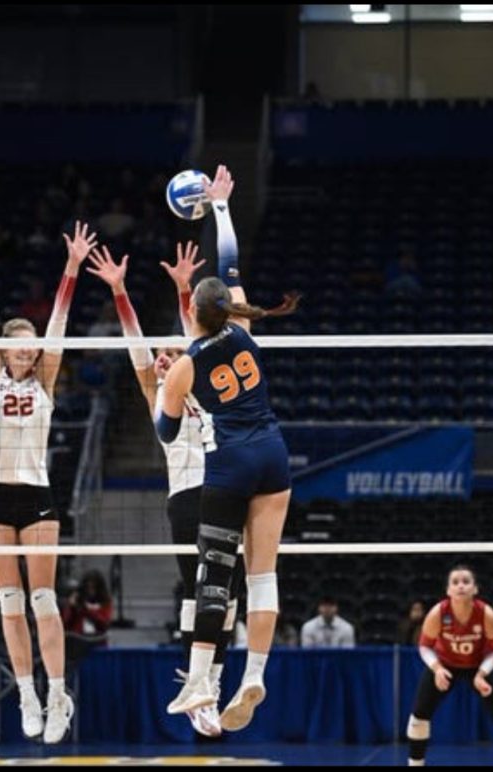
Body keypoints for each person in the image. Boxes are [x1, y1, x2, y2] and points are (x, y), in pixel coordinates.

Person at [156, 165, 300, 734]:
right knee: (263, 577)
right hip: (274, 454)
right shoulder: (244, 329)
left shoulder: (186, 364)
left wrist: (183, 396)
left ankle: (199, 681)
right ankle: (255, 671)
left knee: (213, 576)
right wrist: (220, 205)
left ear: (192, 309)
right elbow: (230, 262)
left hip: (231, 463)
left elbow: (166, 435)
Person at [84, 238, 244, 738]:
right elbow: (136, 342)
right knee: (199, 593)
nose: (162, 357)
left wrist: (183, 290)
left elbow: (196, 337)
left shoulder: (202, 379)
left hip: (225, 486)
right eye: (158, 354)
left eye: (172, 351)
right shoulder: (158, 394)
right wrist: (119, 291)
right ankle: (200, 684)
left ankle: (211, 683)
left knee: (230, 592)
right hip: (185, 499)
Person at [0, 209, 98, 743]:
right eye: (20, 340)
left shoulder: (46, 381)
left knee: (44, 602)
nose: (28, 346)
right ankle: (27, 694)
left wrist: (72, 267)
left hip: (36, 495)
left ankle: (59, 693)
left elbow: (59, 322)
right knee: (9, 605)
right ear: (6, 346)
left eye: (32, 342)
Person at [408, 565, 493, 766]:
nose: (461, 586)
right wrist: (437, 669)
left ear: (475, 589)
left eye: (466, 582)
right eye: (455, 582)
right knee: (418, 717)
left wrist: (482, 674)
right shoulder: (438, 613)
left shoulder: (486, 614)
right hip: (445, 665)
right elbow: (425, 646)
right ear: (448, 590)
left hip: (477, 667)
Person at [61, 570, 114, 639]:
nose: (90, 591)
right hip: (78, 639)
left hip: (98, 638)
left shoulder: (105, 602)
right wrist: (71, 607)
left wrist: (87, 610)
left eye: (93, 588)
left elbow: (104, 624)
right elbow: (66, 624)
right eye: (88, 588)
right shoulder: (78, 600)